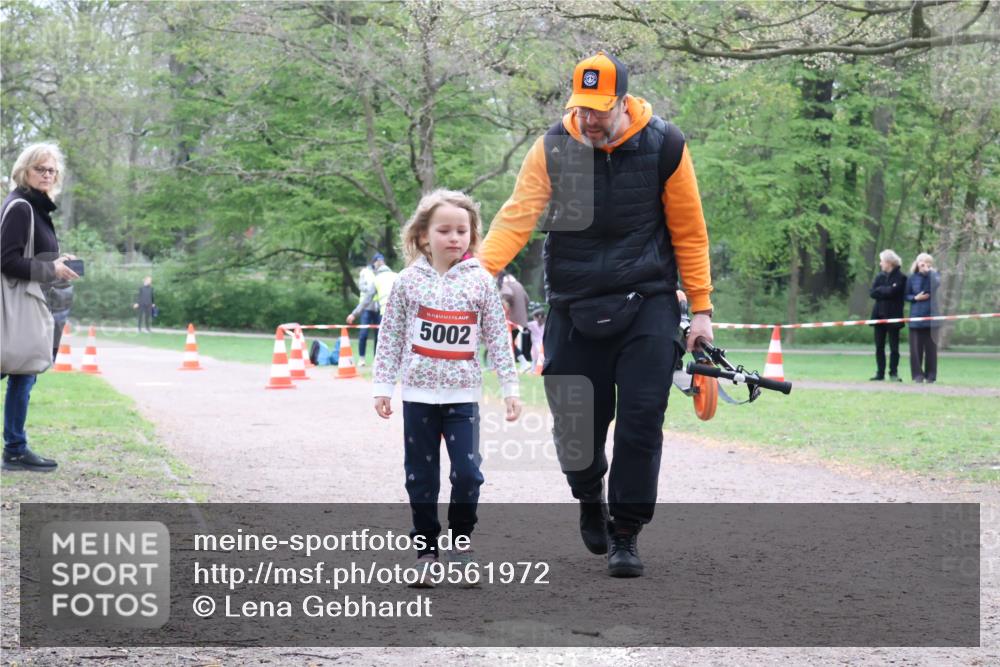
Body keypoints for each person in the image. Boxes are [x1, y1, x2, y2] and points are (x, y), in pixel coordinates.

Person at [479, 52, 714, 577]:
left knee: (640, 420)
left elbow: (689, 232)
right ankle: (589, 497)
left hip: (647, 299)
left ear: (623, 103)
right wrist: (475, 275)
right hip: (573, 300)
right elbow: (516, 217)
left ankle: (626, 532)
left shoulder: (666, 145)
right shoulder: (552, 147)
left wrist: (701, 308)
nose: (589, 120)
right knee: (577, 429)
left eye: (599, 110)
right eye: (581, 109)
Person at [372, 189, 522, 582]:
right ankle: (426, 552)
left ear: (472, 236)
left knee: (468, 474)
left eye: (463, 231)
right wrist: (383, 386)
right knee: (420, 478)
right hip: (419, 397)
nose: (454, 238)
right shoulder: (407, 283)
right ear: (424, 236)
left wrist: (510, 387)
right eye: (445, 230)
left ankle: (460, 541)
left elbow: (497, 337)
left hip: (463, 397)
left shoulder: (480, 282)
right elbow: (389, 337)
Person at [1, 142, 80, 472]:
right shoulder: (21, 207)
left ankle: (16, 447)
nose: (47, 175)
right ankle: (15, 448)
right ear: (24, 171)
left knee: (24, 373)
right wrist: (51, 269)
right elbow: (6, 261)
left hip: (33, 304)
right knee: (20, 370)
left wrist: (58, 262)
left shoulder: (36, 207)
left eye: (52, 170)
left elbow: (28, 255)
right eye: (41, 169)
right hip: (18, 307)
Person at [347, 253, 396, 366]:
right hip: (394, 313)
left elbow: (367, 298)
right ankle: (370, 360)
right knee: (388, 339)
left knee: (381, 337)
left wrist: (354, 314)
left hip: (382, 311)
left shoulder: (377, 279)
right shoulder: (396, 275)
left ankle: (379, 362)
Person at [868, 250, 906, 382]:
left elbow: (894, 292)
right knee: (879, 346)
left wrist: (882, 290)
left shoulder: (901, 277)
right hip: (879, 315)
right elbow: (872, 293)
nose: (880, 264)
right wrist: (885, 290)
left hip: (894, 316)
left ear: (889, 262)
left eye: (882, 261)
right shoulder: (879, 277)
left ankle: (893, 373)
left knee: (894, 347)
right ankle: (880, 373)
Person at [905, 252, 941, 383]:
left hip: (932, 319)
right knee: (915, 350)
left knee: (931, 350)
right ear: (917, 262)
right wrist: (915, 298)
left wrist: (929, 272)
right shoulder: (911, 278)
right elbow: (906, 295)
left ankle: (931, 376)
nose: (923, 263)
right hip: (916, 318)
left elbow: (936, 284)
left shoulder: (935, 276)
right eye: (921, 261)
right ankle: (917, 375)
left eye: (926, 262)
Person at [346, 255, 381, 365]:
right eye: (379, 261)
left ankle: (376, 358)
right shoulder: (365, 272)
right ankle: (361, 358)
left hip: (378, 308)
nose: (381, 263)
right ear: (374, 261)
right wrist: (372, 288)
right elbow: (361, 287)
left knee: (378, 334)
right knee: (363, 333)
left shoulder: (382, 274)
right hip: (366, 307)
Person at [498, 271, 533, 372]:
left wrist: (500, 298)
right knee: (509, 343)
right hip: (521, 321)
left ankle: (523, 363)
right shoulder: (518, 284)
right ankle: (521, 363)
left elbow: (507, 293)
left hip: (511, 321)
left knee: (506, 343)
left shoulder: (506, 284)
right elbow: (527, 299)